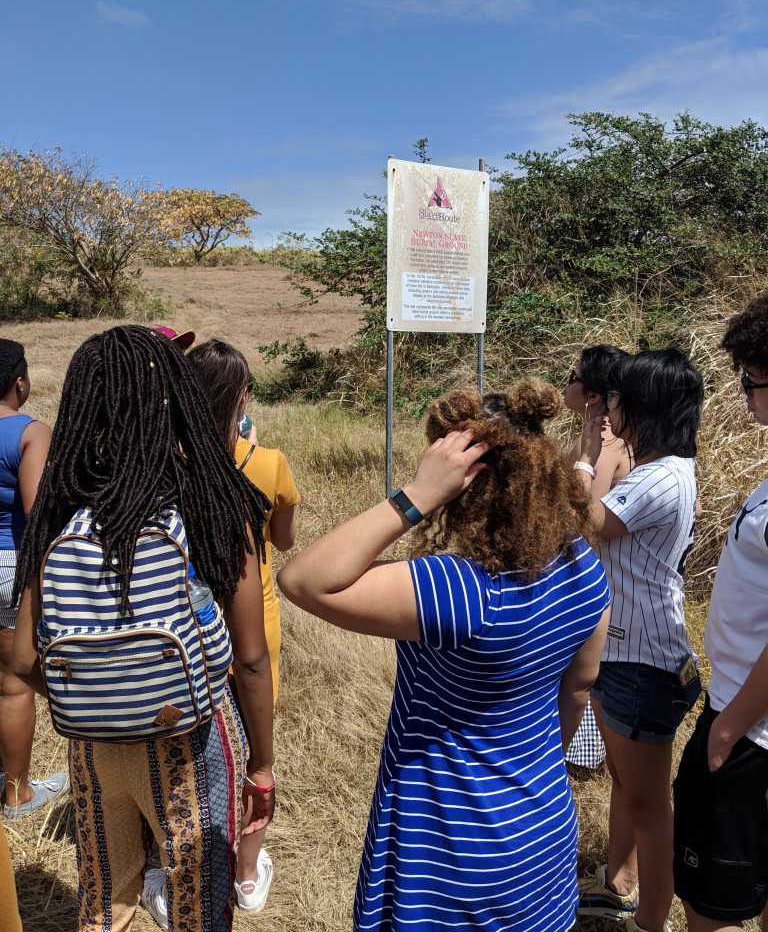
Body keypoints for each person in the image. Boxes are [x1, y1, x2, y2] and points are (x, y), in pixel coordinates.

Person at [278, 381, 611, 932]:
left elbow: (305, 580)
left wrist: (416, 495)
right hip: (543, 834)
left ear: (463, 483)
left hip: (448, 848)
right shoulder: (581, 567)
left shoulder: (460, 590)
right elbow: (578, 687)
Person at [11, 325, 276, 932]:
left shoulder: (57, 507)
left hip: (92, 748)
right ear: (175, 400)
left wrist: (102, 686)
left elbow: (24, 660)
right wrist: (262, 764)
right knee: (199, 903)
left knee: (104, 899)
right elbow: (253, 661)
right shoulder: (212, 499)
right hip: (197, 741)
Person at [575, 348, 704, 932]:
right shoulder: (667, 467)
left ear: (643, 407)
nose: (611, 409)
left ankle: (651, 919)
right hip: (633, 651)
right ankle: (621, 885)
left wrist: (590, 455)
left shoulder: (658, 476)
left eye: (618, 400)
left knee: (650, 808)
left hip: (640, 661)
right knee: (629, 786)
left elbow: (590, 522)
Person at [186, 337, 300, 913]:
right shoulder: (269, 463)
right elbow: (283, 541)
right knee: (257, 744)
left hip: (188, 622)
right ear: (243, 396)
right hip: (256, 616)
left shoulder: (168, 463)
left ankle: (186, 853)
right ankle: (248, 872)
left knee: (197, 738)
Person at [673, 295, 768, 932]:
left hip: (751, 725)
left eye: (752, 381)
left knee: (712, 905)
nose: (746, 396)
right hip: (746, 713)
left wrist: (729, 726)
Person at [0, 339, 66, 818]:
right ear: (20, 381)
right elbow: (38, 515)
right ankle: (18, 792)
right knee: (13, 683)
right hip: (11, 562)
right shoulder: (30, 432)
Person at [563, 344, 631, 770]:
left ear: (590, 395)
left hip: (590, 576)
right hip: (595, 575)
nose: (565, 381)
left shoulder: (603, 447)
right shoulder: (604, 439)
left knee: (583, 673)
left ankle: (584, 755)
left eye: (572, 375)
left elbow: (590, 519)